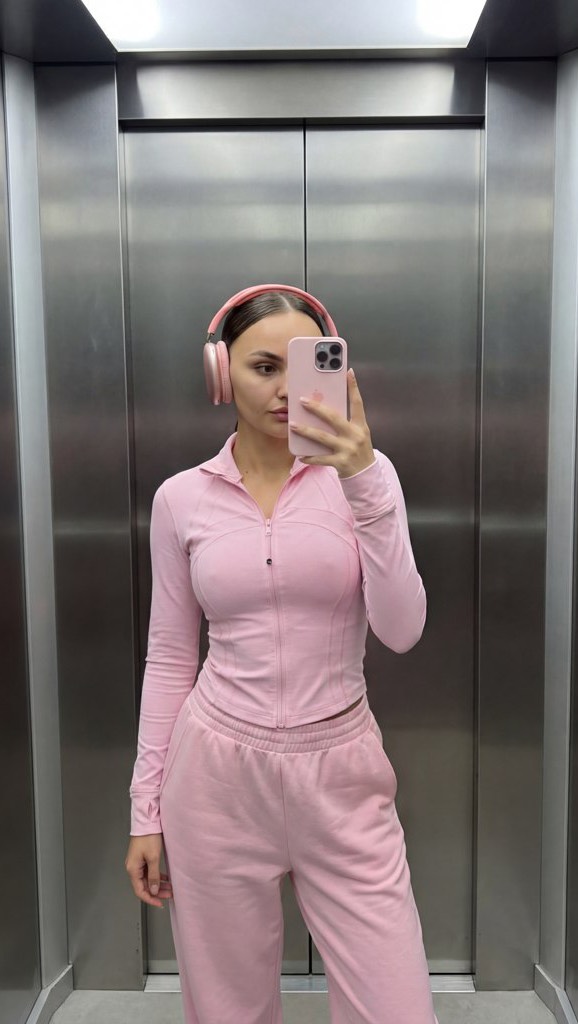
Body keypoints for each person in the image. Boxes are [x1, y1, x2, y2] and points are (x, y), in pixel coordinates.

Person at [125, 286, 439, 1024]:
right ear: (221, 373)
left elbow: (402, 629)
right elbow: (169, 657)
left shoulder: (367, 479)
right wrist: (146, 810)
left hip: (342, 773)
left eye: (303, 367)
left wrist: (363, 480)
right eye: (264, 367)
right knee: (228, 1011)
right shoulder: (180, 500)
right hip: (215, 779)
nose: (285, 389)